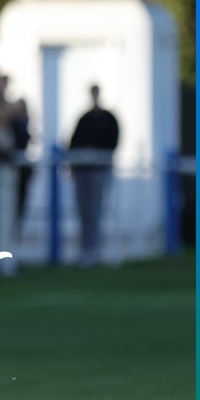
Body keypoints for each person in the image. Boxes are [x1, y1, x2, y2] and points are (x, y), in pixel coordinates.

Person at [69, 85, 119, 266]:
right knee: (84, 212)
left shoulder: (108, 119)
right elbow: (73, 142)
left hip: (99, 170)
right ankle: (85, 250)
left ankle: (95, 250)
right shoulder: (84, 119)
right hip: (83, 171)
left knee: (96, 210)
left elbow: (112, 143)